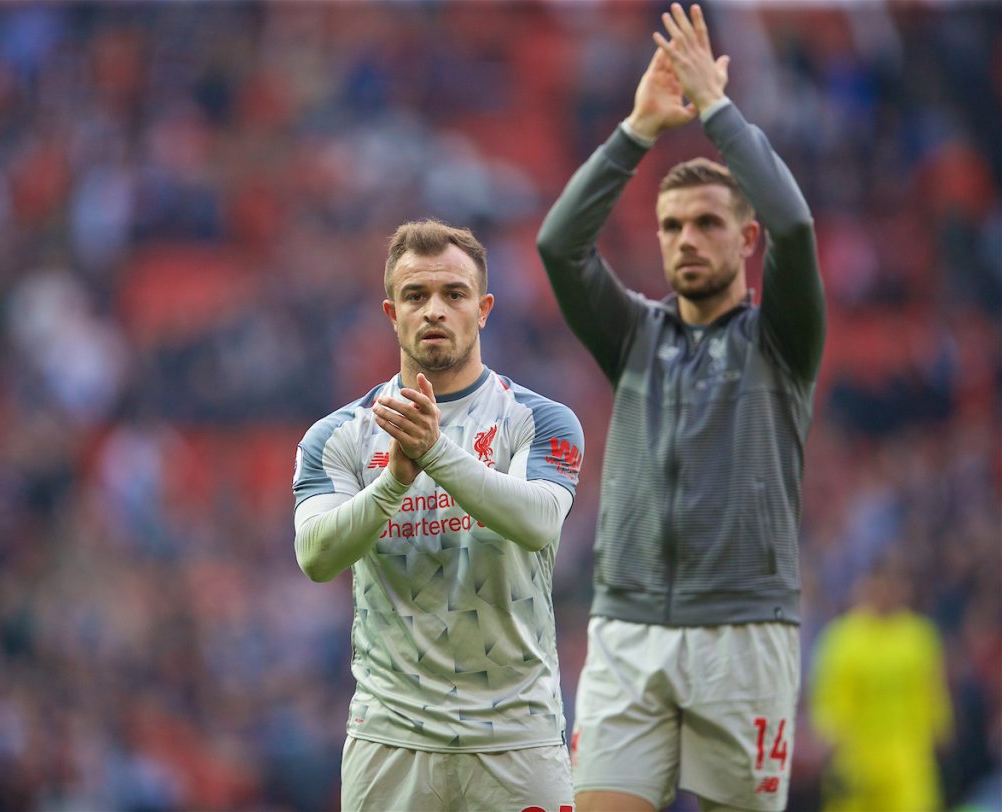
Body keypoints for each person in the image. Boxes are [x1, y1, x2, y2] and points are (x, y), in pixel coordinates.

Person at [536, 4, 825, 811]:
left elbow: (799, 225)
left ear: (747, 240)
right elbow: (560, 246)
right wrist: (636, 129)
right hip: (628, 633)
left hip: (743, 635)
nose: (686, 239)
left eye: (707, 223)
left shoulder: (783, 342)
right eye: (671, 227)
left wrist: (719, 113)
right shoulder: (631, 335)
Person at [292, 219, 584, 812]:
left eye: (453, 294)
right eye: (415, 296)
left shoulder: (540, 420)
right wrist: (395, 480)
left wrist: (434, 454)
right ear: (390, 312)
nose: (433, 310)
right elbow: (315, 556)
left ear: (484, 309)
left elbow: (538, 523)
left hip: (517, 736)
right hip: (391, 739)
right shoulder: (338, 437)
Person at [809, 562, 953, 812]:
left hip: (907, 763)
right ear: (866, 587)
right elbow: (830, 698)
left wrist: (941, 727)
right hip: (855, 763)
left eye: (895, 585)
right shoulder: (844, 638)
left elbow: (932, 691)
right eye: (881, 586)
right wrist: (829, 738)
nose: (888, 592)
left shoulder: (919, 636)